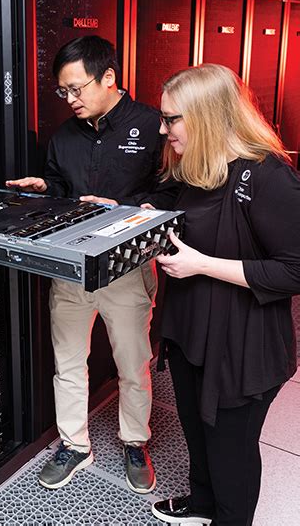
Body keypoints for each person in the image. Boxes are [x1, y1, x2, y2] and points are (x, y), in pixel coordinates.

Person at [6, 36, 176, 494]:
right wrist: (46, 190)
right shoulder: (63, 137)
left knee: (133, 364)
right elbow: (63, 192)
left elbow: (172, 193)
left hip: (127, 267)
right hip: (72, 269)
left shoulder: (153, 126)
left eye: (77, 88)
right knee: (67, 363)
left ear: (109, 78)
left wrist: (124, 209)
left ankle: (135, 442)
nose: (70, 99)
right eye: (63, 91)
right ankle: (75, 445)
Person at [146, 63, 300, 526]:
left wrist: (202, 265)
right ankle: (202, 503)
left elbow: (295, 270)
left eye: (171, 119)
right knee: (197, 431)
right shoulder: (198, 168)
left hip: (243, 344)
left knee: (230, 450)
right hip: (192, 332)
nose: (162, 129)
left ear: (207, 116)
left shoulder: (269, 177)